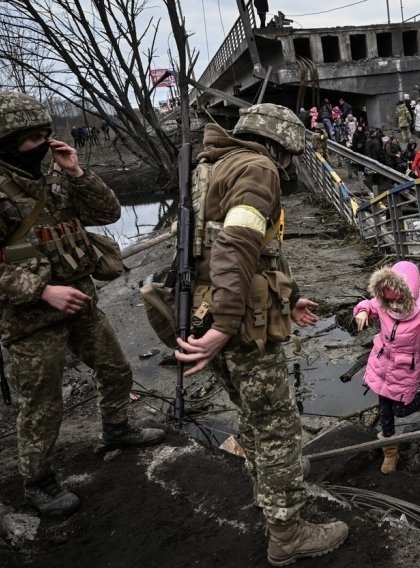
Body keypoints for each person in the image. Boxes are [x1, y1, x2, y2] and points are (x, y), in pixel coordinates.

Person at [172, 103, 348, 565]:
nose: (289, 167)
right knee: (277, 424)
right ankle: (287, 531)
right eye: (291, 155)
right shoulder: (258, 168)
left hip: (212, 307)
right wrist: (228, 323)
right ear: (280, 146)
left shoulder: (212, 165)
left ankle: (270, 483)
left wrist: (290, 298)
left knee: (252, 413)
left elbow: (238, 249)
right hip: (239, 318)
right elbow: (235, 247)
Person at [0, 91, 165, 518]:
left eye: (44, 134)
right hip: (31, 318)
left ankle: (116, 429)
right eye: (29, 138)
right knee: (41, 402)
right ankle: (39, 481)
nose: (40, 144)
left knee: (115, 368)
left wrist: (76, 171)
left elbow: (108, 213)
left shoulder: (56, 177)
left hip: (82, 300)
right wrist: (41, 291)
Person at [353, 261, 420, 473]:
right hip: (381, 365)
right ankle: (390, 451)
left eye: (398, 302)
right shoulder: (383, 302)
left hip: (405, 370)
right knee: (385, 410)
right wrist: (362, 311)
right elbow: (368, 304)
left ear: (409, 294)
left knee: (400, 409)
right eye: (388, 301)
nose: (393, 307)